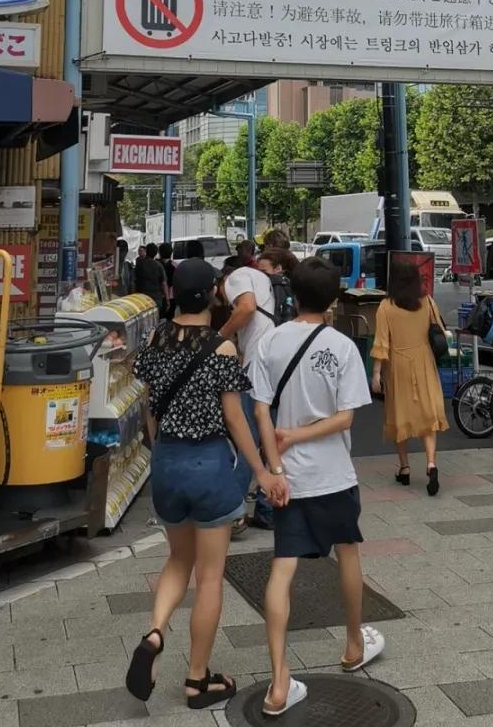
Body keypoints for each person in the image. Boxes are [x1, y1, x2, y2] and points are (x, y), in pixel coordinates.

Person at [127, 258, 287, 708]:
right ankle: (197, 680)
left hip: (167, 464)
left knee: (178, 560)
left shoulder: (155, 340)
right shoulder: (222, 348)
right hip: (210, 467)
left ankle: (155, 633)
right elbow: (235, 419)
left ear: (173, 294)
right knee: (210, 576)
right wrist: (261, 472)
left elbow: (149, 409)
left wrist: (161, 450)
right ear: (214, 295)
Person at [251, 258, 384, 716]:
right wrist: (300, 434)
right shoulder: (342, 346)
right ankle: (354, 643)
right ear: (333, 298)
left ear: (292, 294)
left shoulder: (270, 341)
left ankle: (278, 683)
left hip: (288, 477)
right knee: (348, 551)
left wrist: (275, 464)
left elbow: (260, 410)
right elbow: (346, 418)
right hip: (334, 475)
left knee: (282, 568)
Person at [222, 245, 298, 529]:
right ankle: (268, 509)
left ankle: (233, 511)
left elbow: (246, 308)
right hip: (284, 367)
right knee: (273, 439)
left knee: (248, 440)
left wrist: (219, 336)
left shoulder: (238, 277)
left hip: (258, 370)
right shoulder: (276, 287)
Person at [371, 258, 447, 495]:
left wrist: (376, 373)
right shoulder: (427, 302)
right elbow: (440, 329)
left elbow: (381, 343)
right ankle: (431, 463)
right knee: (428, 412)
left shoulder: (386, 306)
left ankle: (404, 467)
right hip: (424, 360)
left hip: (398, 364)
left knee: (399, 414)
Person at [134, 241, 169, 309]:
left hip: (141, 298)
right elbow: (164, 283)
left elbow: (134, 281)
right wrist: (167, 299)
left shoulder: (139, 265)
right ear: (156, 253)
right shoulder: (159, 265)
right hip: (156, 298)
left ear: (146, 251)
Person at [159, 242, 176, 317]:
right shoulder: (175, 266)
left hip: (158, 296)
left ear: (160, 253)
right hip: (171, 295)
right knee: (170, 317)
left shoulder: (156, 265)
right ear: (171, 253)